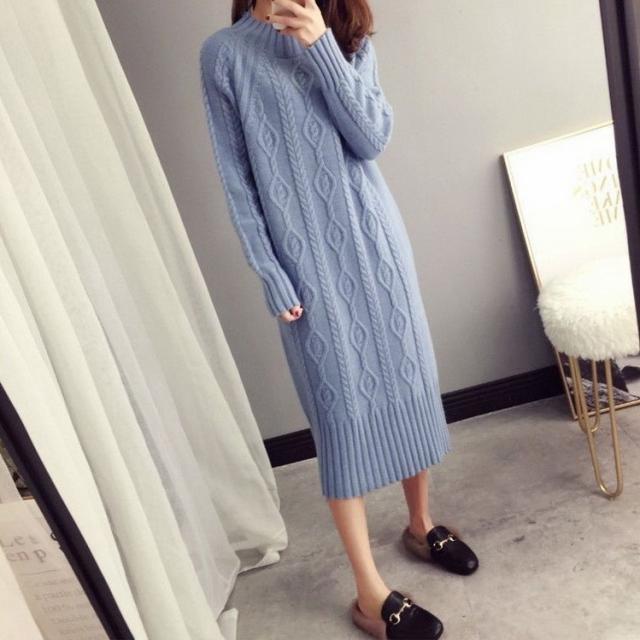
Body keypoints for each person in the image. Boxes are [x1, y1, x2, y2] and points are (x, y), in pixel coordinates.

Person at [199, 1, 479, 636]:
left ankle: (420, 525)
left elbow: (371, 137)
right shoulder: (224, 55)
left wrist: (322, 45)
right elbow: (237, 181)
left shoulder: (345, 33)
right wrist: (269, 271)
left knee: (408, 388)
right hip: (307, 272)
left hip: (378, 248)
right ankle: (368, 592)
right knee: (339, 418)